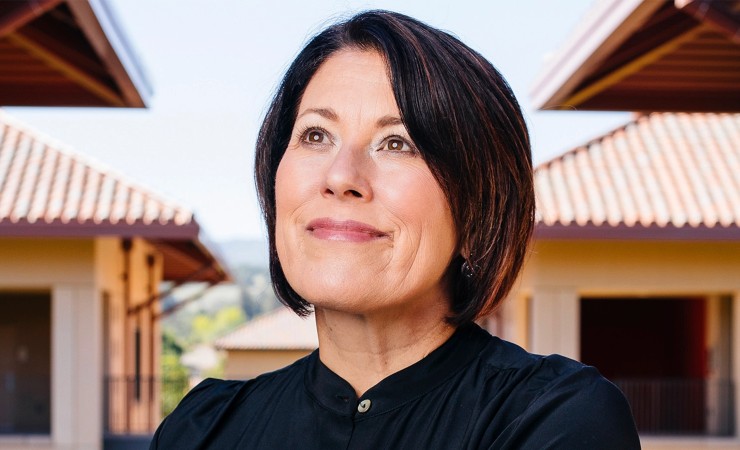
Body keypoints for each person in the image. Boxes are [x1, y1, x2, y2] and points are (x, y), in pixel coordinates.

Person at [150, 10, 640, 449]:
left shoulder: (553, 419)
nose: (341, 177)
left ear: (477, 211)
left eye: (397, 144)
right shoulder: (203, 429)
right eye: (316, 135)